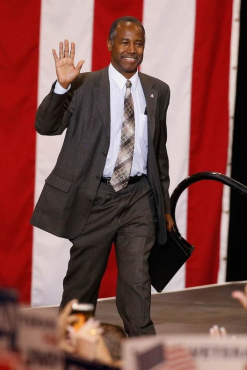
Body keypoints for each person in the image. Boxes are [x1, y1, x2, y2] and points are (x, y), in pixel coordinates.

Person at [32, 16, 173, 336]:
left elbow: (158, 154)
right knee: (82, 286)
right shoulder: (83, 84)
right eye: (125, 42)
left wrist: (164, 206)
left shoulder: (157, 91)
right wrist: (61, 86)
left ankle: (146, 367)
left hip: (138, 198)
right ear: (110, 44)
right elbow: (46, 126)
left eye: (138, 44)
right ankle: (70, 361)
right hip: (95, 198)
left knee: (138, 283)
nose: (131, 50)